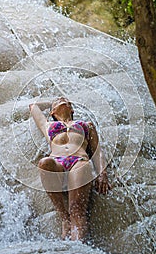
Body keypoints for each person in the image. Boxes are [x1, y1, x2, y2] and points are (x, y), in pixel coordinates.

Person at [29, 96, 109, 242]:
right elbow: (33, 106)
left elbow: (97, 151)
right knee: (44, 163)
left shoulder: (86, 125)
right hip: (57, 163)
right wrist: (55, 101)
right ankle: (64, 217)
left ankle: (78, 247)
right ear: (52, 112)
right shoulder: (48, 126)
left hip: (79, 161)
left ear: (72, 109)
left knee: (77, 210)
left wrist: (102, 173)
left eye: (66, 101)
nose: (61, 99)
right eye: (58, 101)